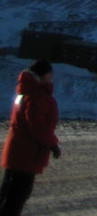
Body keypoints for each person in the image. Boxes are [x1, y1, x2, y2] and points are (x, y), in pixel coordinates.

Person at [0, 60, 61, 216]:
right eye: (50, 74)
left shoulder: (24, 91)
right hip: (27, 153)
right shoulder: (37, 95)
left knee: (8, 193)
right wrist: (52, 144)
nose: (52, 77)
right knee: (16, 197)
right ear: (43, 75)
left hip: (17, 150)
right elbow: (37, 126)